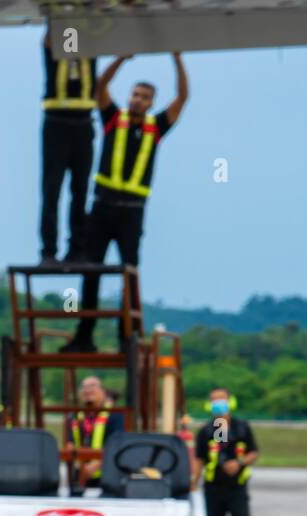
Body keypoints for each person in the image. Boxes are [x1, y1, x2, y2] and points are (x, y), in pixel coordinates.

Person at [62, 53, 189, 353]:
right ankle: (85, 335)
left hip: (132, 212)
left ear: (151, 102)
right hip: (102, 208)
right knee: (91, 271)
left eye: (144, 97)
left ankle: (126, 337)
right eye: (134, 94)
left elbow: (183, 97)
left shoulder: (155, 127)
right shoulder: (112, 119)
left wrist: (177, 58)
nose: (137, 100)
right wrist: (121, 59)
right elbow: (100, 87)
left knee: (129, 274)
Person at [191, 388, 263, 516]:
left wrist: (238, 463)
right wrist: (193, 483)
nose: (218, 404)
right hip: (214, 488)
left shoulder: (241, 427)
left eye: (222, 400)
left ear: (230, 401)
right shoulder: (209, 430)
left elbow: (253, 452)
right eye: (214, 400)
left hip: (236, 488)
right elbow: (200, 458)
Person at [39, 29, 97, 265]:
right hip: (56, 123)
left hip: (83, 123)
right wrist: (55, 21)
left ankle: (77, 250)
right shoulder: (55, 51)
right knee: (51, 190)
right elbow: (48, 40)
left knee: (80, 191)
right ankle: (49, 251)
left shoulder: (90, 54)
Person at [66, 375, 122, 487]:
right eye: (84, 387)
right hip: (80, 475)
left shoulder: (116, 414)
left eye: (92, 386)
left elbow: (117, 444)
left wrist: (95, 466)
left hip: (107, 476)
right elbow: (70, 443)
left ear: (103, 391)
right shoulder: (75, 416)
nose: (87, 390)